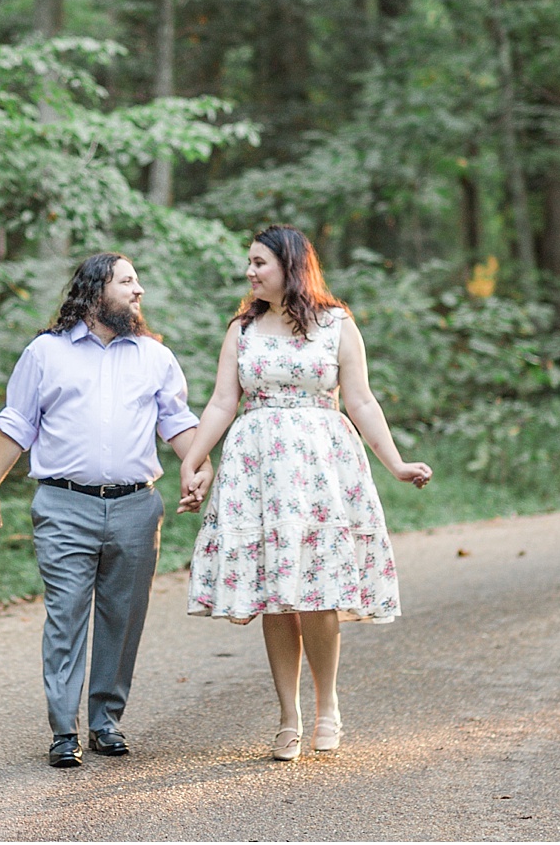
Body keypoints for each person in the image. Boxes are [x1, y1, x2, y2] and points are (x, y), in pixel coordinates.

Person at [178, 225, 431, 761]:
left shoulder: (336, 325)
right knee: (276, 594)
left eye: (259, 262)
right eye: (249, 262)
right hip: (258, 468)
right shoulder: (242, 329)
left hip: (321, 468)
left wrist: (396, 463)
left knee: (319, 592)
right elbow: (223, 402)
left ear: (290, 266)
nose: (250, 272)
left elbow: (361, 401)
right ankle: (288, 717)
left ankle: (327, 706)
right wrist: (193, 459)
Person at [0, 252, 202, 768]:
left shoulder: (154, 357)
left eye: (138, 281)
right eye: (127, 281)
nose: (139, 291)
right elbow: (17, 424)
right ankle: (63, 730)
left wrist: (199, 467)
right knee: (66, 615)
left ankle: (106, 722)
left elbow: (178, 423)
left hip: (137, 507)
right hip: (63, 504)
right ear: (97, 290)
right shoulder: (45, 353)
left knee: (123, 617)